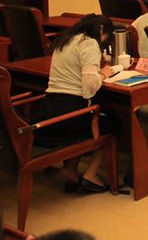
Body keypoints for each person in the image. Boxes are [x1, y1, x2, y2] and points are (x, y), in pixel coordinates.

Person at [35, 14, 120, 193]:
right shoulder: (89, 43)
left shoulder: (65, 40)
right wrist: (104, 73)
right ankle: (90, 175)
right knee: (112, 124)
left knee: (86, 121)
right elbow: (89, 88)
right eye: (106, 37)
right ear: (101, 29)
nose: (104, 41)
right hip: (69, 114)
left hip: (49, 110)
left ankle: (71, 169)